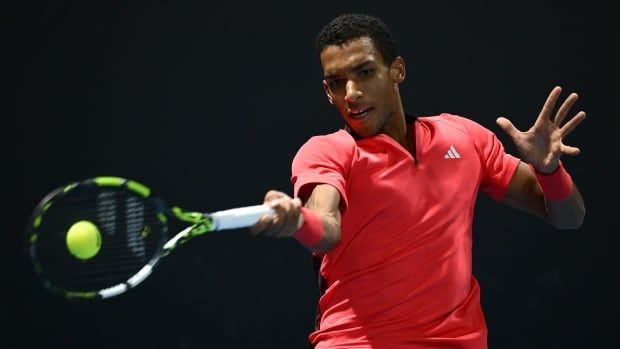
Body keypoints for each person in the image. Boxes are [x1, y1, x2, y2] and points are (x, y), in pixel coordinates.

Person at [250, 13, 586, 349]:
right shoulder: (327, 151)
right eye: (337, 82)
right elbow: (326, 227)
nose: (351, 93)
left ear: (397, 70)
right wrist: (299, 220)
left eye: (365, 73)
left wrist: (549, 171)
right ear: (327, 91)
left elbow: (570, 217)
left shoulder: (463, 137)